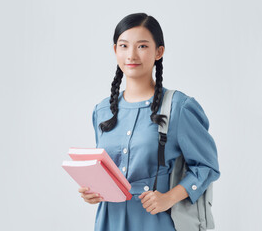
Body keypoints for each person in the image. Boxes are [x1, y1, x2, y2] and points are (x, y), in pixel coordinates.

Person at [78, 12, 221, 231]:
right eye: (124, 46)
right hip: (110, 221)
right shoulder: (102, 110)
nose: (131, 55)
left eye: (142, 46)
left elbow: (207, 166)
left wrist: (170, 197)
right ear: (115, 50)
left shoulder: (179, 107)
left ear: (158, 52)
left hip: (157, 222)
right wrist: (94, 192)